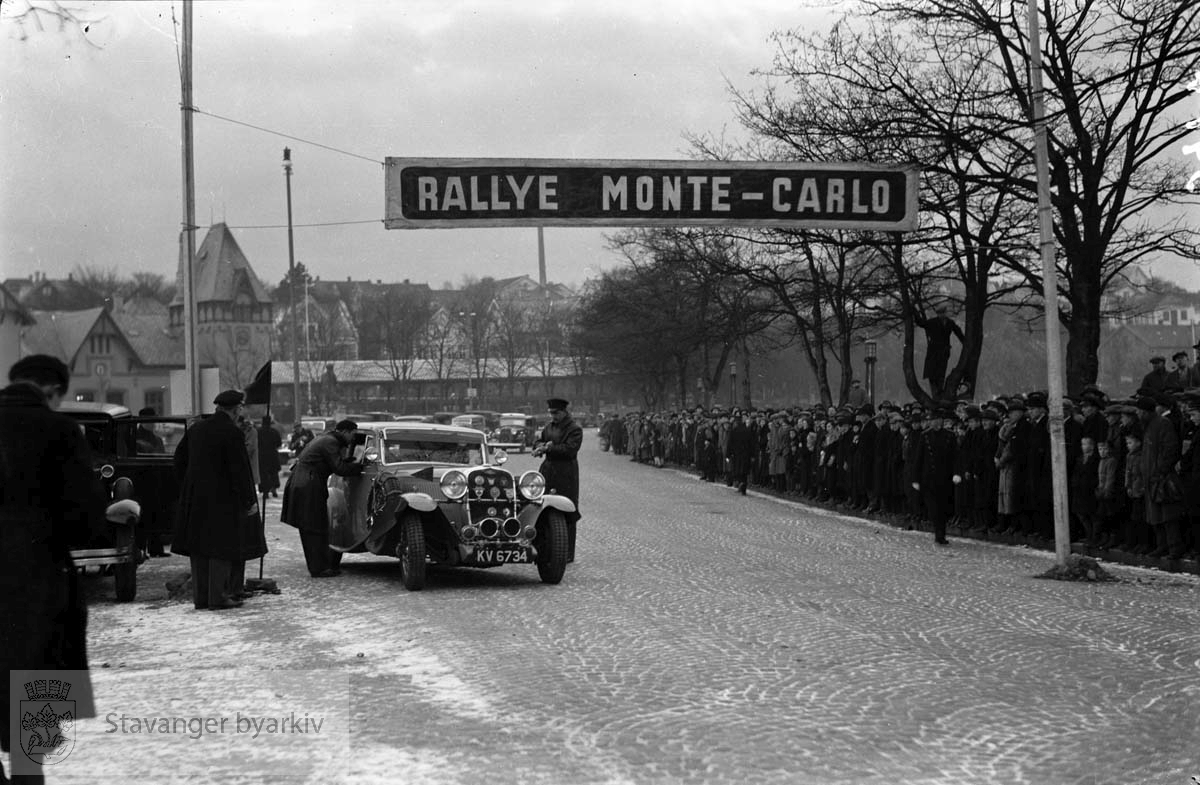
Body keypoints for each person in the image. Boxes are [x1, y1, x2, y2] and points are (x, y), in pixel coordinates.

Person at [1, 355, 104, 784]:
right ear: (51, 391)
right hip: (37, 591)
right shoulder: (60, 431)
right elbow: (85, 522)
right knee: (31, 743)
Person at [171, 390, 259, 610]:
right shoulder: (231, 433)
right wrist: (248, 500)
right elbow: (240, 470)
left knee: (199, 547)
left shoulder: (197, 429)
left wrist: (188, 485)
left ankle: (201, 598)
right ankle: (218, 597)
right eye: (240, 409)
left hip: (195, 498)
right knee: (222, 546)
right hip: (223, 499)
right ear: (236, 409)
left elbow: (179, 459)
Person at [281, 419, 366, 577]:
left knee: (314, 526)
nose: (353, 439)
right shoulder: (331, 442)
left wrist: (347, 461)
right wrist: (359, 467)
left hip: (305, 482)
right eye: (352, 434)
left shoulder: (327, 438)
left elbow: (332, 462)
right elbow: (339, 468)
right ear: (345, 432)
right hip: (308, 484)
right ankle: (319, 568)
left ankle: (320, 566)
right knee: (313, 527)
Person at [533, 398, 583, 561]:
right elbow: (539, 440)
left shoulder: (574, 429)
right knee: (543, 507)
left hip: (565, 473)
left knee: (567, 510)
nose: (553, 416)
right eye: (551, 413)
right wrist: (539, 447)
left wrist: (549, 447)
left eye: (556, 413)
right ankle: (546, 548)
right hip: (548, 471)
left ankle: (567, 553)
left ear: (564, 412)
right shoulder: (549, 427)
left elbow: (570, 449)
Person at [914, 303, 965, 399]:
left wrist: (966, 343)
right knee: (932, 374)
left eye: (943, 313)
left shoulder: (950, 323)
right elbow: (921, 323)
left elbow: (959, 333)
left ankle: (939, 391)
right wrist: (915, 313)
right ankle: (936, 394)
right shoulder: (932, 322)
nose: (941, 315)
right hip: (933, 352)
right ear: (937, 314)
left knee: (941, 373)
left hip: (944, 352)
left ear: (945, 313)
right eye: (939, 313)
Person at [258, 415, 283, 498]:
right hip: (272, 455)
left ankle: (265, 491)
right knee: (273, 473)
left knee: (263, 474)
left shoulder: (258, 432)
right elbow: (279, 443)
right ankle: (274, 489)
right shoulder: (274, 432)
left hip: (262, 455)